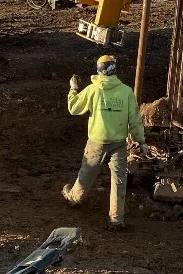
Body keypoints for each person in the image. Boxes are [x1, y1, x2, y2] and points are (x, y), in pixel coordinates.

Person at [62, 55, 147, 231]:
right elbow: (135, 121)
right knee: (119, 181)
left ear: (99, 70)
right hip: (118, 143)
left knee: (86, 174)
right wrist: (141, 142)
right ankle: (116, 219)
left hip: (96, 142)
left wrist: (73, 88)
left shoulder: (93, 89)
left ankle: (74, 199)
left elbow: (74, 108)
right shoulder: (126, 91)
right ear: (114, 69)